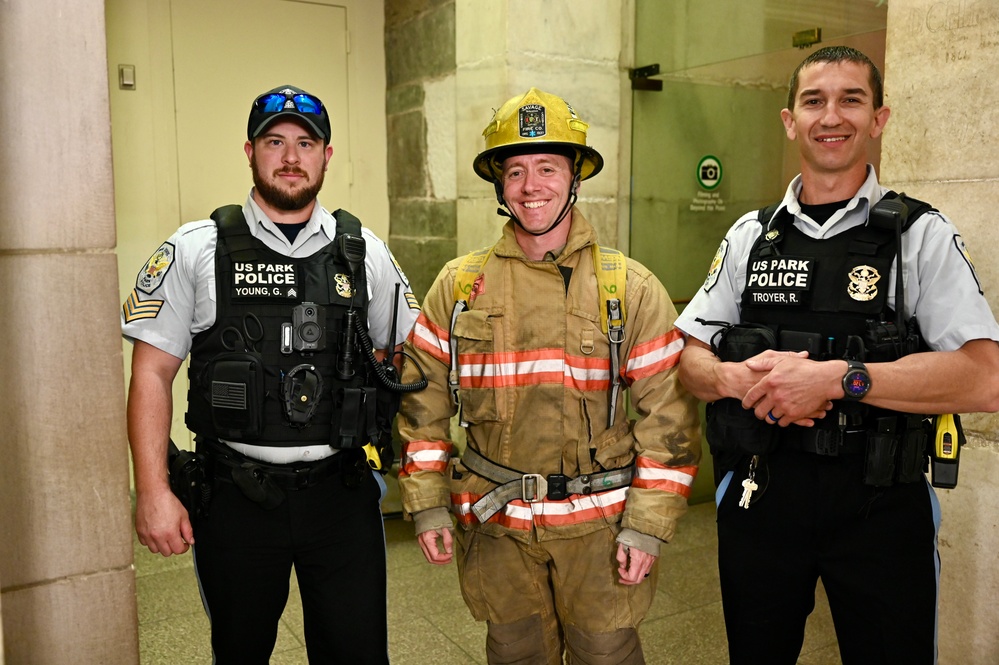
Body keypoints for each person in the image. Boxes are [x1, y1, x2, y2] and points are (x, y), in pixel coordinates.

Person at [675, 46, 999, 665]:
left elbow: (985, 378)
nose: (832, 115)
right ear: (789, 120)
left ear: (879, 118)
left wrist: (838, 380)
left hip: (879, 502)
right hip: (761, 493)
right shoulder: (751, 233)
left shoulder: (919, 236)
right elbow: (690, 357)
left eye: (851, 99)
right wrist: (731, 376)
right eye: (814, 100)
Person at [396, 87, 700, 664]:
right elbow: (423, 403)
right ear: (500, 186)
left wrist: (649, 524)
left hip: (601, 536)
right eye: (516, 171)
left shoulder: (628, 288)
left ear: (575, 176)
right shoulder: (460, 287)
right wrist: (429, 501)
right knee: (516, 656)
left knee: (605, 653)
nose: (531, 186)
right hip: (499, 531)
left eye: (546, 168)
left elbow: (671, 418)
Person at [121, 84, 419, 664]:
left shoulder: (364, 254)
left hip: (342, 495)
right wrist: (153, 491)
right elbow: (151, 375)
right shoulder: (197, 249)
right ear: (250, 151)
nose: (290, 156)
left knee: (356, 654)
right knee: (240, 652)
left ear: (327, 155)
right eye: (274, 141)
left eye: (306, 143)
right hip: (235, 499)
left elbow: (410, 354)